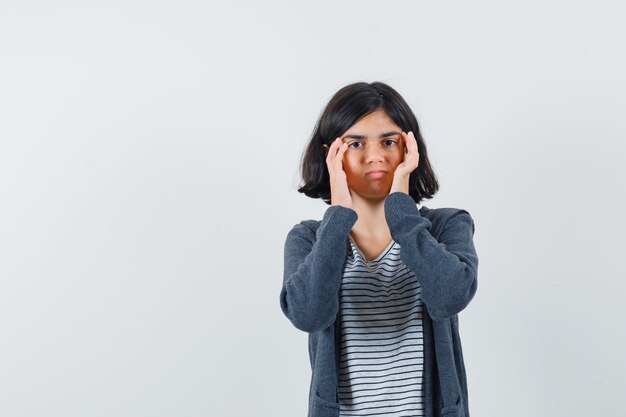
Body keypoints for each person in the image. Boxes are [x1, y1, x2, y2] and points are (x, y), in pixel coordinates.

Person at [280, 81, 479, 417]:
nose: (375, 156)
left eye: (389, 141)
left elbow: (450, 296)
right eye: (355, 143)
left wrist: (400, 208)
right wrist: (339, 215)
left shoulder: (446, 227)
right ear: (331, 153)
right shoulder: (310, 239)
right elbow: (308, 314)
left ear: (409, 148)